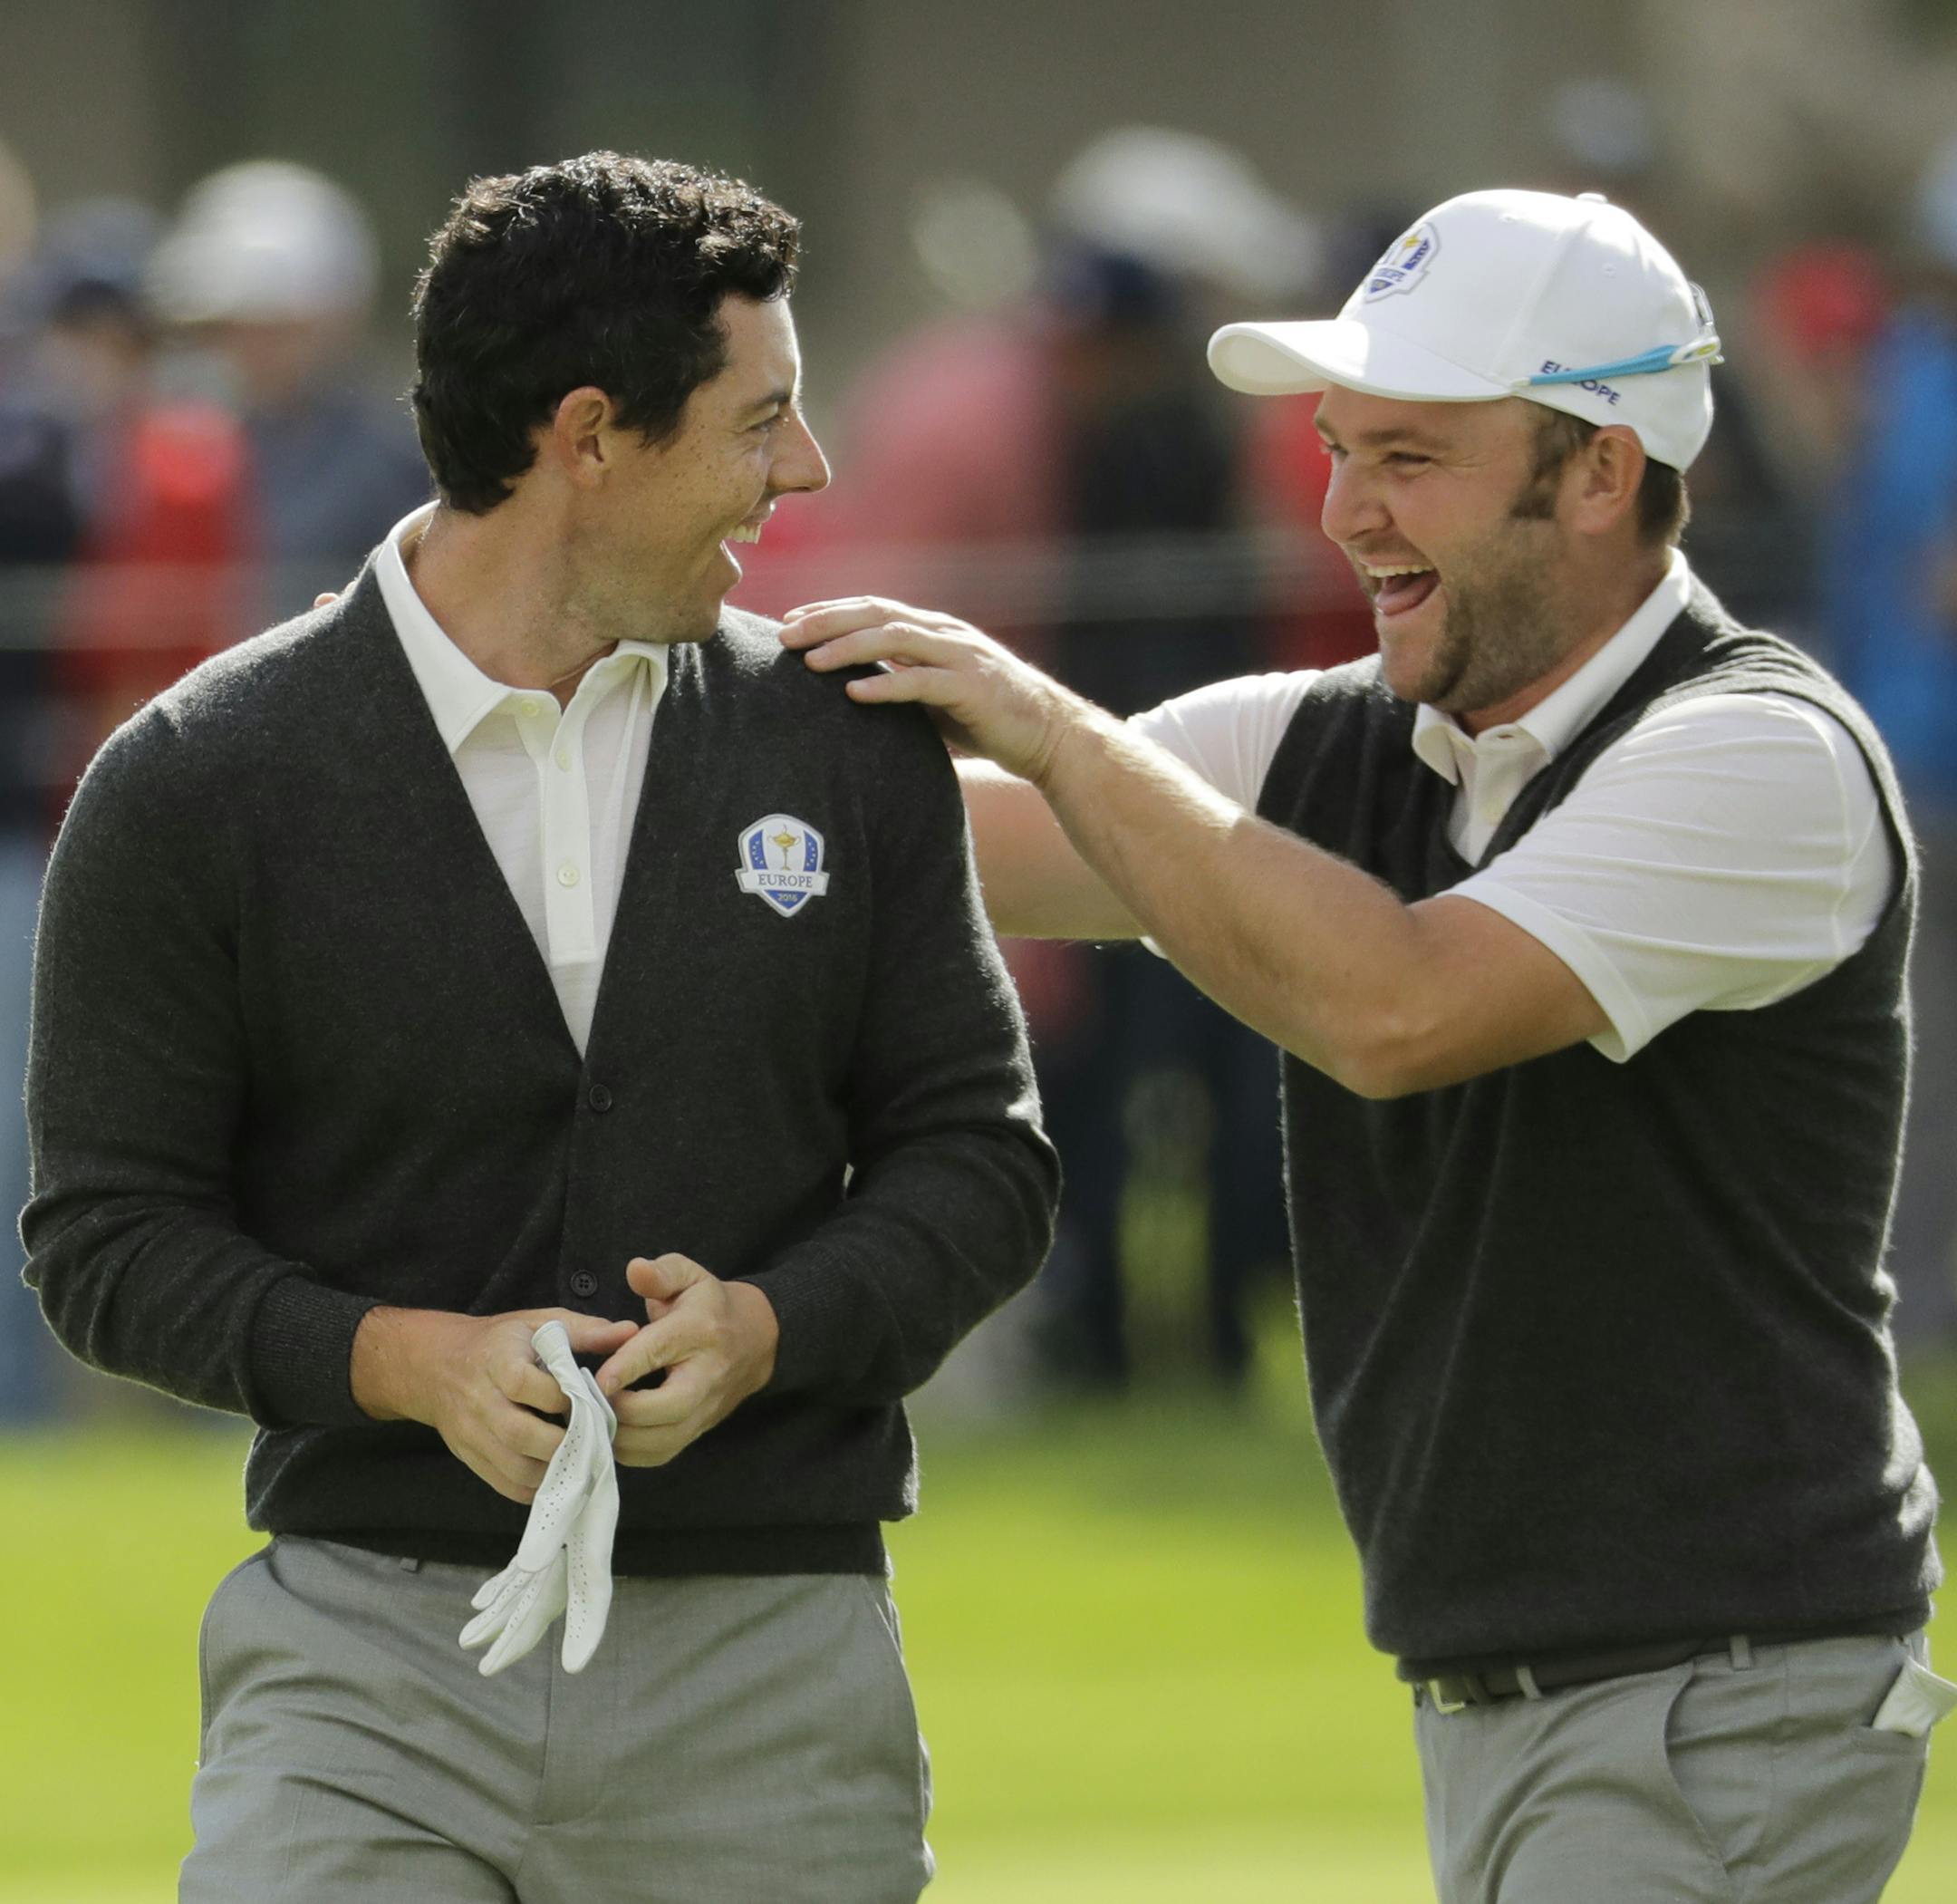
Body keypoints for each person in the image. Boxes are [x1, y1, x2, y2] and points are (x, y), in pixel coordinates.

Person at [782, 188, 1952, 1903]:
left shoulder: (1763, 755)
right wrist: (615, 697)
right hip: (1543, 1687)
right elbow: (937, 848)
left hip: (1723, 1688)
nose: (1345, 511)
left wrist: (1050, 724)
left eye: (1409, 456)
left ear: (1603, 470)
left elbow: (1398, 1008)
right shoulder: (1333, 740)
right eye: (1340, 450)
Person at [24, 150, 1057, 1902]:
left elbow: (984, 1161)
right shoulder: (197, 779)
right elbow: (105, 1239)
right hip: (360, 1676)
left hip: (777, 1674)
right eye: (762, 418)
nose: (805, 470)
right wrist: (402, 1361)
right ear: (590, 435)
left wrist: (770, 1328)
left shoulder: (846, 744)